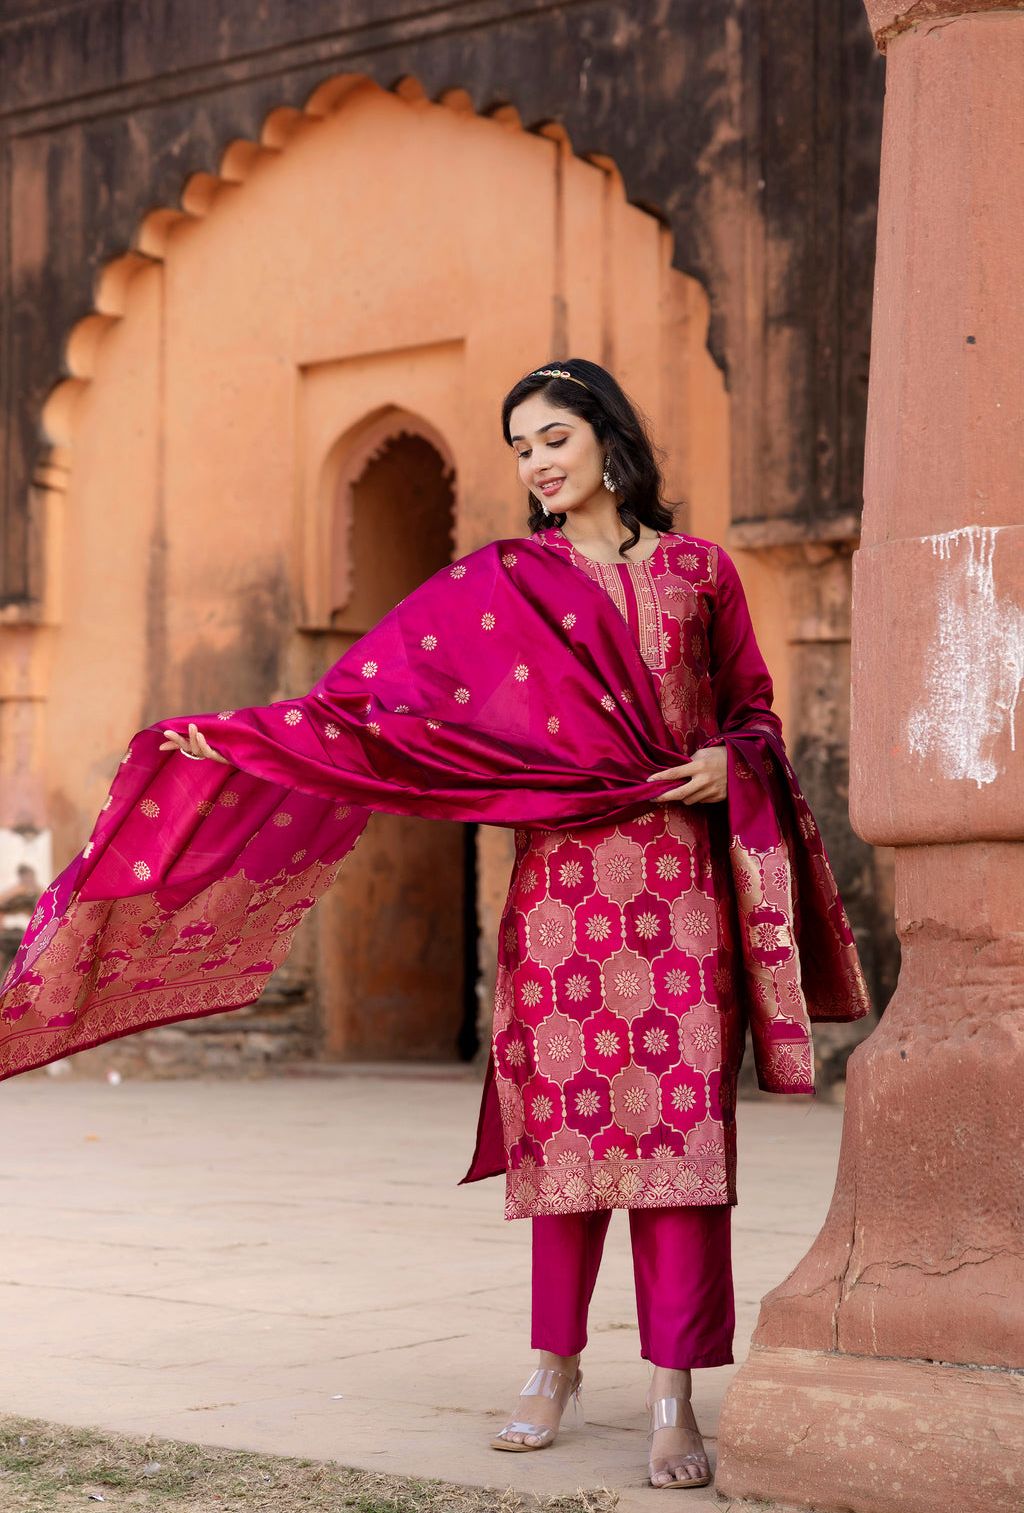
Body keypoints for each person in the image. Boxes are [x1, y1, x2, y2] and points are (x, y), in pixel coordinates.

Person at [0, 360, 868, 1492]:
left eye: (553, 437)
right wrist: (251, 740)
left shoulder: (700, 574)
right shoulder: (506, 578)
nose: (536, 464)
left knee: (681, 1153)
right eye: (519, 448)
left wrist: (726, 758)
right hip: (562, 895)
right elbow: (376, 707)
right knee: (566, 1143)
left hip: (678, 894)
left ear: (610, 440)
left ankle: (673, 1390)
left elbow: (754, 708)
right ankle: (550, 1368)